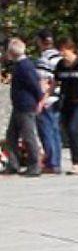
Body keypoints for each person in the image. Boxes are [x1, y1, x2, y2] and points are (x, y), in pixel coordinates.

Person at [54, 38, 78, 176]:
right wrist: (43, 99)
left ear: (71, 49)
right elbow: (54, 83)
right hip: (66, 102)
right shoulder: (60, 65)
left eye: (64, 50)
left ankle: (77, 164)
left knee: (72, 129)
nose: (62, 53)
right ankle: (76, 161)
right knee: (69, 131)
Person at [6, 38, 44, 177]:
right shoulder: (20, 65)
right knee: (11, 136)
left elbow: (35, 85)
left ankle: (35, 166)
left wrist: (40, 100)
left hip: (26, 106)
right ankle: (13, 164)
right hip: (18, 106)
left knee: (29, 136)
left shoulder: (25, 66)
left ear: (12, 51)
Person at [33, 30, 61, 174]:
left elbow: (43, 81)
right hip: (59, 98)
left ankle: (51, 162)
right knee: (56, 131)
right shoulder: (60, 57)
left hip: (47, 100)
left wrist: (40, 100)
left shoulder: (44, 59)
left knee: (46, 131)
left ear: (40, 41)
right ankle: (57, 161)